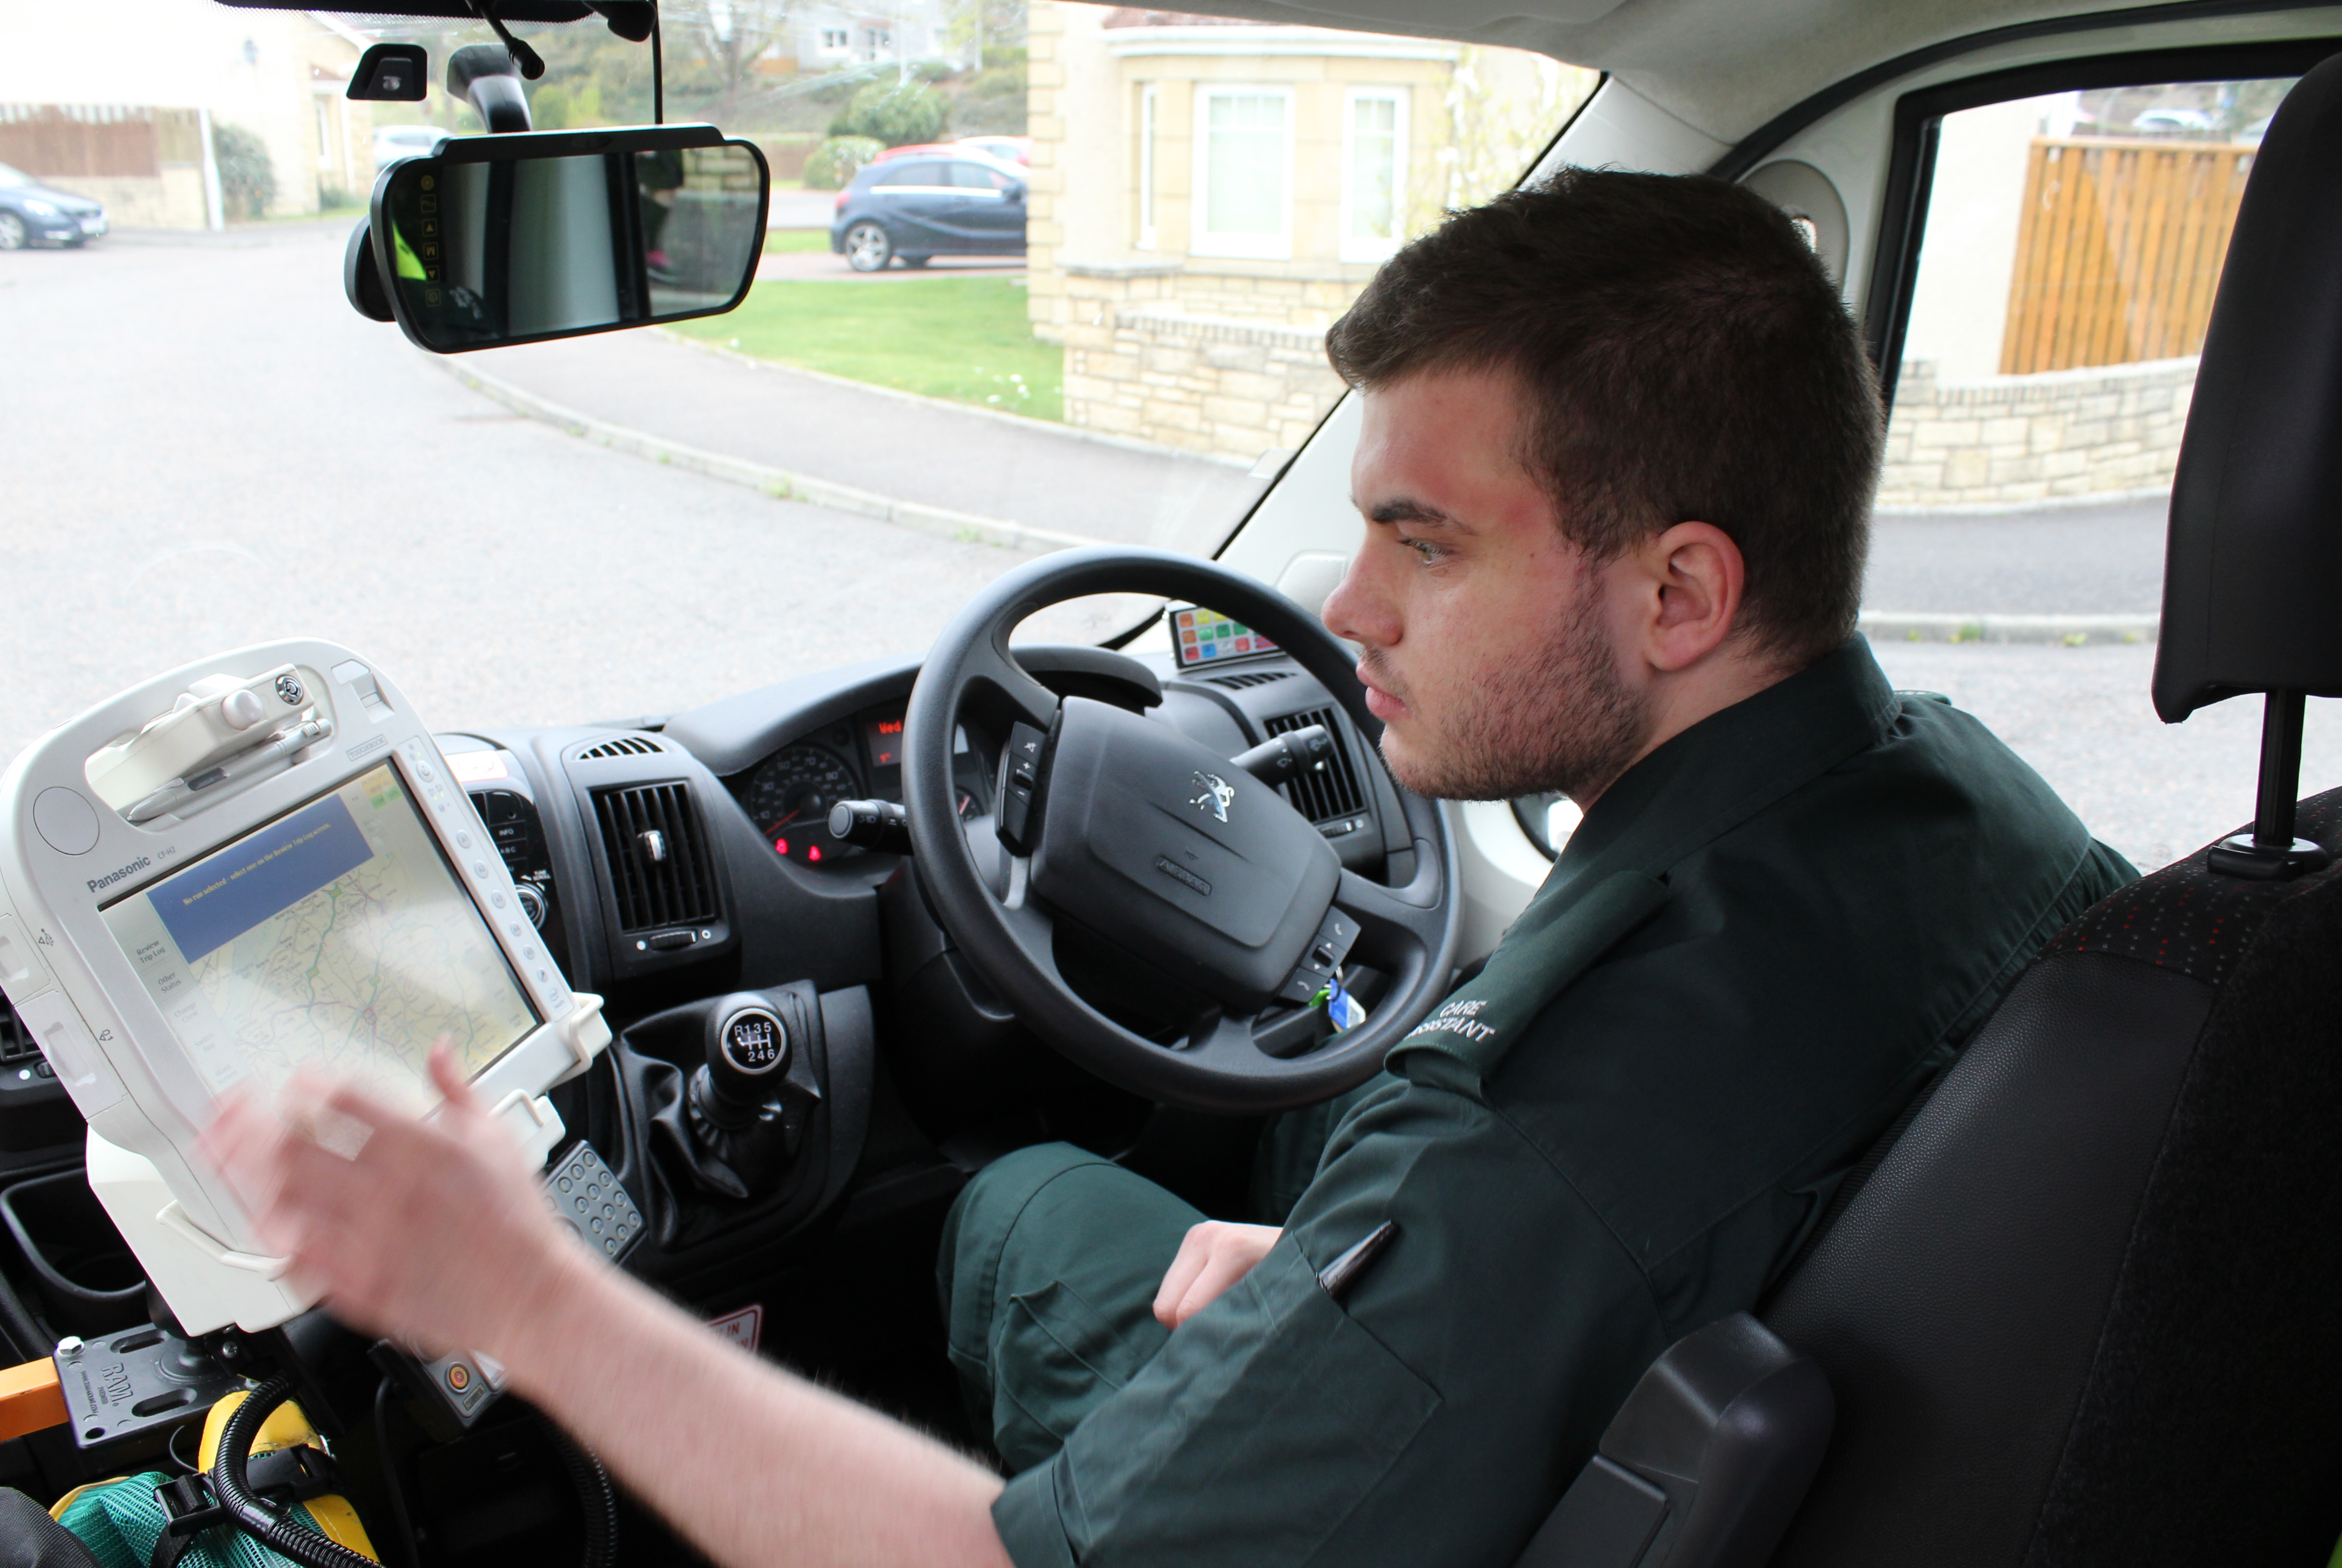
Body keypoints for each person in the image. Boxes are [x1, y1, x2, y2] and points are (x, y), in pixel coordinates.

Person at [205, 168, 2134, 1568]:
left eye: (1428, 546)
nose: (1349, 608)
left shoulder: (1529, 1141)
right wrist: (1358, 1287)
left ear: (1684, 588)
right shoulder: (1987, 818)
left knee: (1020, 1197)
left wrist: (527, 1291)